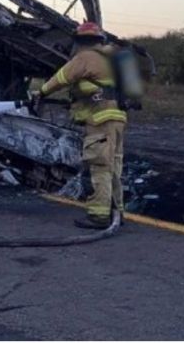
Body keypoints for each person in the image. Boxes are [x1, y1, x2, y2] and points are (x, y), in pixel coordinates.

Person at [36, 21, 126, 229]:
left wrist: (40, 93)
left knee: (99, 166)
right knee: (113, 168)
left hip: (100, 120)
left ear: (81, 41)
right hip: (118, 119)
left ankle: (99, 216)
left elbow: (61, 77)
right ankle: (117, 213)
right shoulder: (111, 60)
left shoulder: (85, 57)